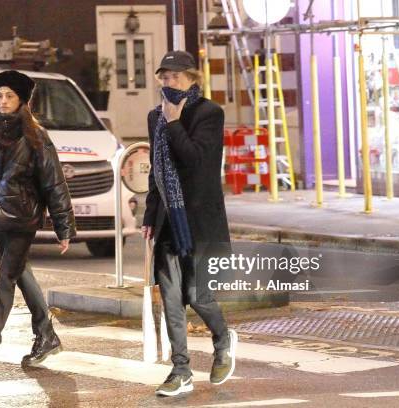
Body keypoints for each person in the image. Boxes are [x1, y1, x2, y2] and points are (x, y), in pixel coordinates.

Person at [0, 70, 76, 378]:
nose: (3, 101)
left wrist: (64, 227)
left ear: (22, 100)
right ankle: (47, 335)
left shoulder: (35, 135)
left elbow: (54, 183)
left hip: (22, 217)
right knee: (20, 272)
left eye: (10, 96)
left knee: (5, 280)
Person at [142, 51, 237, 397]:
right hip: (169, 220)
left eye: (176, 77)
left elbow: (196, 160)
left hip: (199, 220)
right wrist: (150, 216)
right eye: (164, 77)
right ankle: (180, 369)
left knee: (197, 295)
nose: (169, 84)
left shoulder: (209, 113)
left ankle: (223, 339)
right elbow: (156, 171)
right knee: (169, 298)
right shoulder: (155, 117)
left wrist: (174, 122)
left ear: (192, 79)